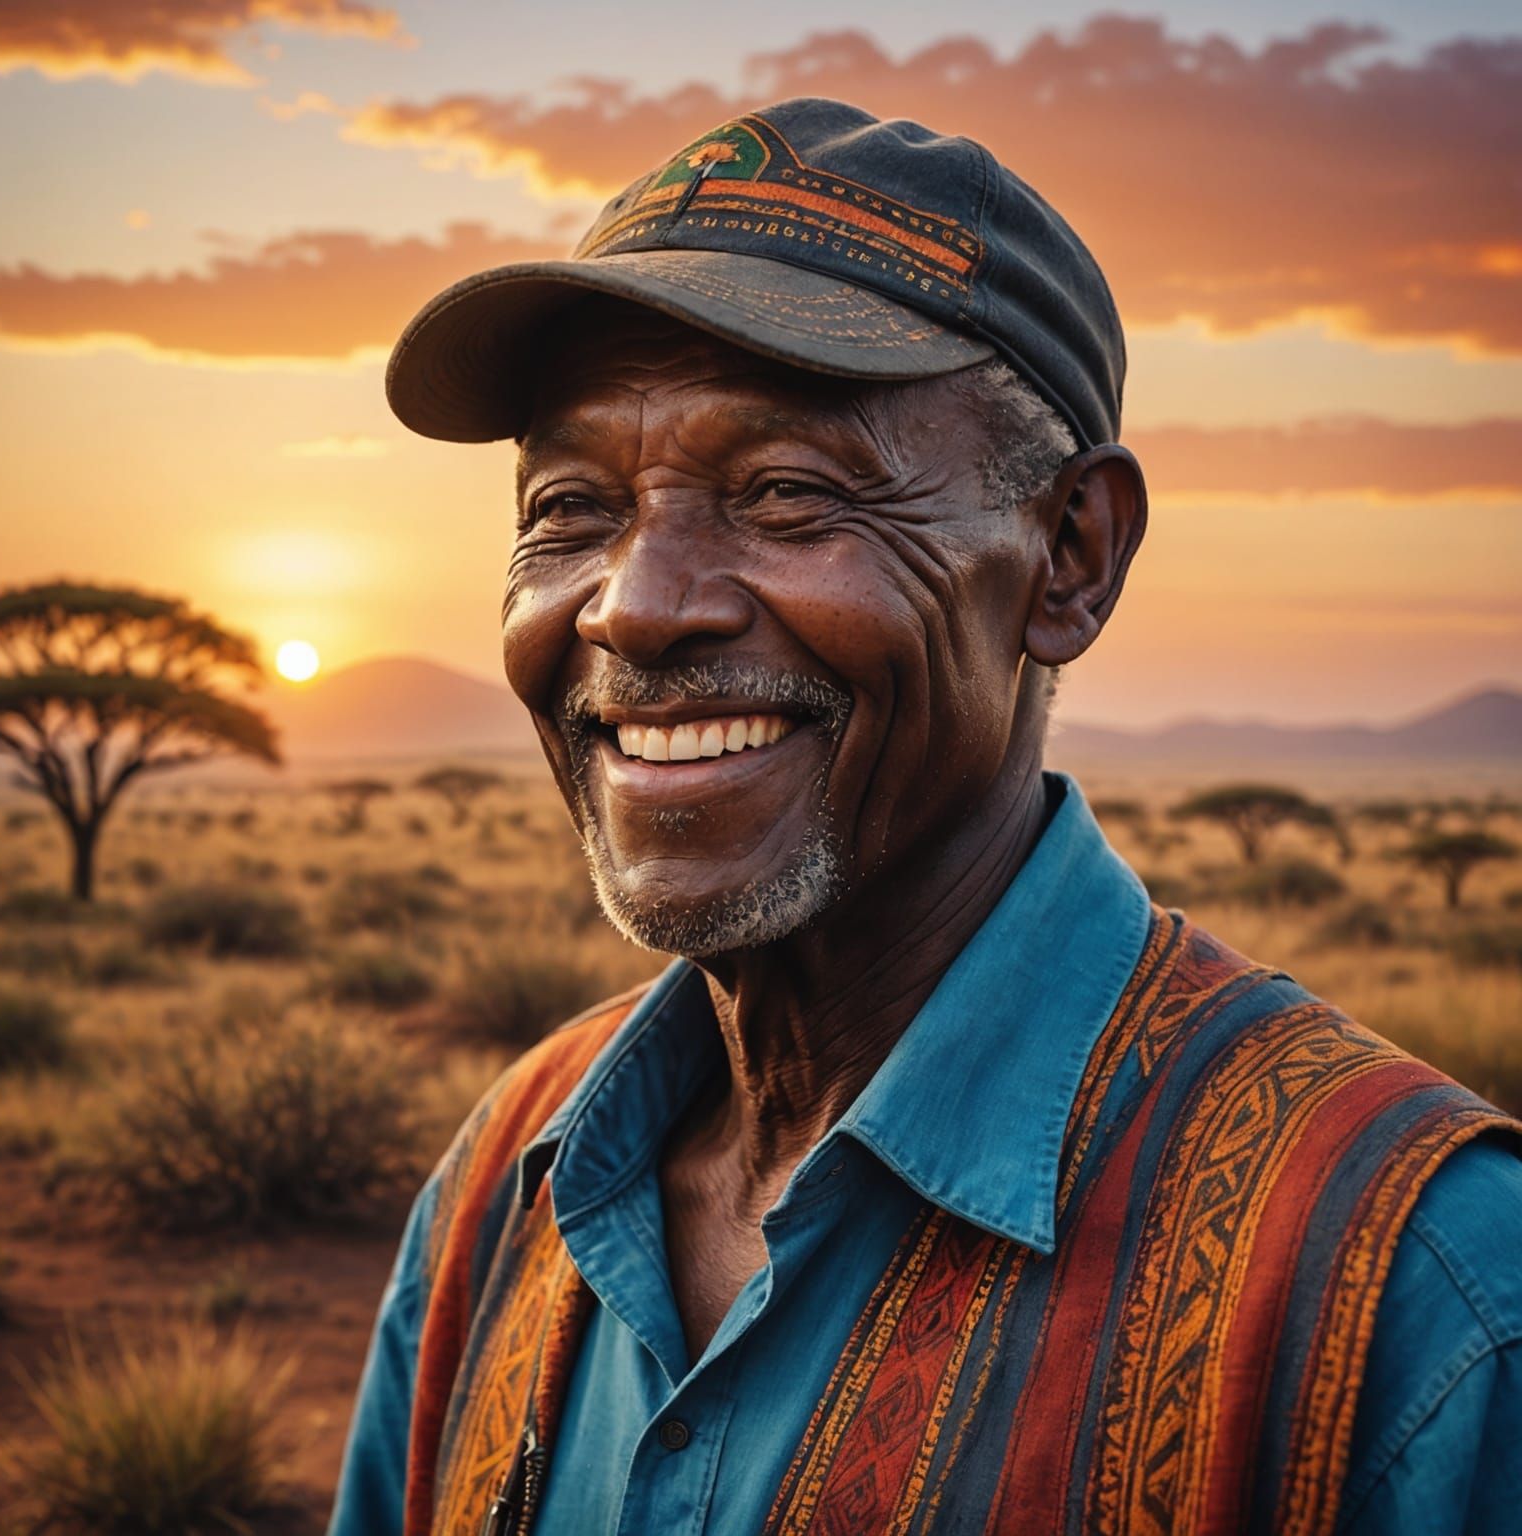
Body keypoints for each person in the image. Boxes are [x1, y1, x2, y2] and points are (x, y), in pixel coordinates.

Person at [329, 98, 1522, 1536]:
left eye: (785, 493)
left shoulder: (1412, 1294)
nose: (635, 604)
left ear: (1067, 559)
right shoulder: (503, 1194)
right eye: (572, 506)